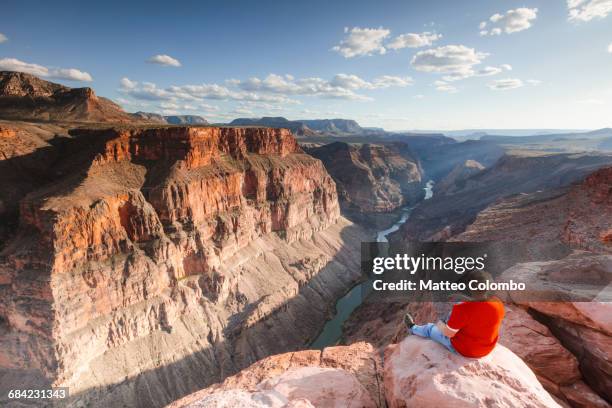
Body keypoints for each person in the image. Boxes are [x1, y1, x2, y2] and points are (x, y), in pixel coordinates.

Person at [404, 270, 505, 358]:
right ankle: (451, 323)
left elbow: (448, 333)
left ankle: (412, 328)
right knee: (454, 319)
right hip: (487, 348)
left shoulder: (462, 309)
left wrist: (439, 324)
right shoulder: (498, 304)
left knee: (430, 328)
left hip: (465, 351)